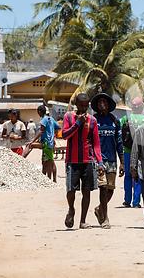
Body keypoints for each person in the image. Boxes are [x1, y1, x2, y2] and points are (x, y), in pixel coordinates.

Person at [62, 93, 103, 229]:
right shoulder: (68, 117)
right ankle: (71, 210)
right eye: (81, 105)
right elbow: (64, 135)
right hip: (72, 161)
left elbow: (96, 143)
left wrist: (100, 162)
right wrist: (77, 123)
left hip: (88, 161)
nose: (84, 108)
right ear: (76, 104)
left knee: (87, 191)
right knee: (71, 191)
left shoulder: (92, 120)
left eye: (86, 106)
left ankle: (83, 221)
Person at [92, 93, 125, 229]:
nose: (102, 103)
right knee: (103, 188)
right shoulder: (94, 120)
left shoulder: (115, 120)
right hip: (99, 161)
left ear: (109, 104)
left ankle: (100, 209)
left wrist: (122, 162)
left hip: (112, 160)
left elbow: (119, 142)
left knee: (110, 190)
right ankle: (105, 218)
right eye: (99, 101)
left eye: (104, 101)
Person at [120, 97, 144, 208]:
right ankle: (136, 202)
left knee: (128, 175)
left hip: (127, 151)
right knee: (139, 176)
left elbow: (121, 137)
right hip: (141, 151)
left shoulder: (125, 118)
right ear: (142, 107)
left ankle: (127, 200)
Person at [23, 106, 60, 182]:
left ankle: (20, 159)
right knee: (49, 162)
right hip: (50, 142)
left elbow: (41, 131)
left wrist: (33, 140)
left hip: (45, 142)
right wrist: (52, 133)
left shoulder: (44, 119)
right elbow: (58, 127)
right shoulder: (51, 119)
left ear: (39, 112)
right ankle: (53, 180)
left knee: (29, 145)